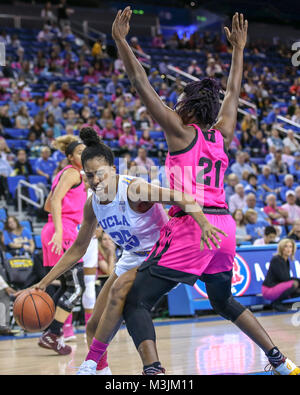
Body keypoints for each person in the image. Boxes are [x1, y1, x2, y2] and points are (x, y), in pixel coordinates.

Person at [73, 8, 298, 375]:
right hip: (224, 228)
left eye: (181, 100)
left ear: (188, 106)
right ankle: (282, 362)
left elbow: (140, 81)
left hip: (192, 225)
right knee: (223, 300)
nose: (175, 104)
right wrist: (238, 51)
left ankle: (154, 373)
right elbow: (233, 93)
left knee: (134, 302)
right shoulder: (221, 133)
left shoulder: (180, 130)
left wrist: (120, 41)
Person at [29, 127, 226, 375]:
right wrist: (44, 282)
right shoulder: (92, 204)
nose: (95, 180)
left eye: (100, 174)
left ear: (113, 170)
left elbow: (181, 196)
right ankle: (102, 372)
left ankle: (98, 364)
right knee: (93, 326)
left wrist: (205, 224)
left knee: (121, 292)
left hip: (161, 253)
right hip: (132, 256)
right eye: (89, 176)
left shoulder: (134, 189)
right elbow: (78, 248)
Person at [33, 135, 86, 355]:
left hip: (56, 229)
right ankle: (53, 334)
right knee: (77, 287)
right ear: (70, 157)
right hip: (61, 232)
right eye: (80, 153)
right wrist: (61, 230)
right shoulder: (72, 173)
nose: (85, 155)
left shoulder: (64, 175)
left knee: (66, 286)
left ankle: (51, 332)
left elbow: (47, 203)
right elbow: (53, 202)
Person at [262, 239, 300, 312]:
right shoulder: (276, 259)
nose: (289, 249)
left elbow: (286, 278)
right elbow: (284, 278)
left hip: (278, 288)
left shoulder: (286, 260)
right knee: (294, 284)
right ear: (282, 248)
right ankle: (276, 303)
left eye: (290, 247)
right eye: (286, 246)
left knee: (297, 286)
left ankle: (275, 303)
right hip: (268, 289)